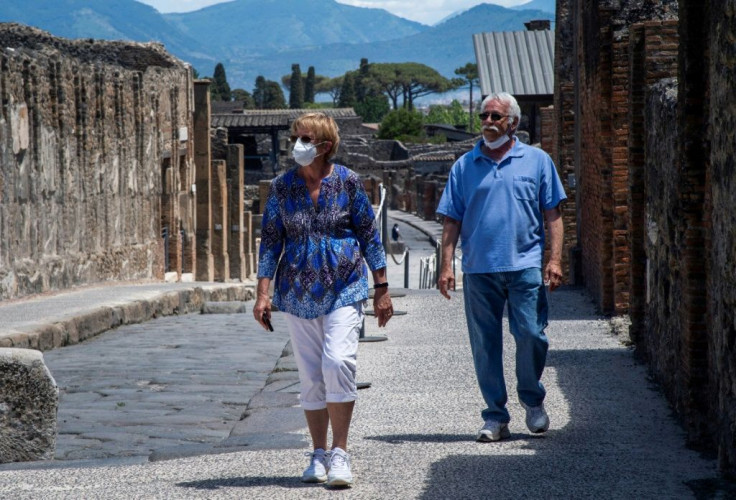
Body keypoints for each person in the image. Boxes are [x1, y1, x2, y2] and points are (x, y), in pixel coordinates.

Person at [253, 112, 393, 487]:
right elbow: (270, 242)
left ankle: (341, 452)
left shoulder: (348, 182)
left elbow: (369, 235)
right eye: (295, 136)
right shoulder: (282, 187)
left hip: (345, 285)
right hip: (297, 292)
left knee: (338, 361)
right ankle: (318, 453)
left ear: (325, 146)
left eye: (305, 138)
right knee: (311, 376)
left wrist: (381, 288)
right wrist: (262, 294)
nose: (297, 143)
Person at [436, 92, 566, 442]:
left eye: (496, 117)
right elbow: (451, 219)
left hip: (524, 265)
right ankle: (495, 416)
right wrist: (446, 266)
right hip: (479, 269)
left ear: (514, 123)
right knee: (485, 344)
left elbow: (552, 213)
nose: (488, 123)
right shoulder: (464, 166)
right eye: (484, 116)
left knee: (531, 334)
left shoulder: (537, 161)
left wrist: (554, 259)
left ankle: (533, 400)